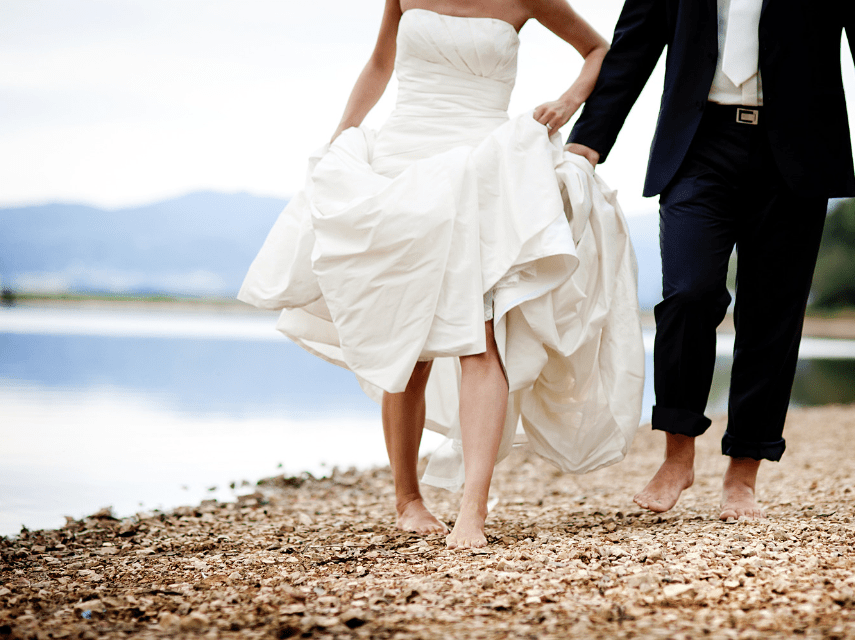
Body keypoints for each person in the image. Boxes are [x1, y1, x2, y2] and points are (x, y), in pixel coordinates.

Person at [238, 0, 645, 548]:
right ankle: (407, 499)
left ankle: (472, 511)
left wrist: (569, 101)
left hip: (480, 166)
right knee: (410, 336)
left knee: (477, 336)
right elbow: (380, 64)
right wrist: (343, 134)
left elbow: (599, 48)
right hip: (402, 163)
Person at [566, 0, 855, 520]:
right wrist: (589, 140)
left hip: (797, 146)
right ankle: (677, 455)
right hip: (698, 143)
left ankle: (743, 473)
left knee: (771, 314)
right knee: (688, 291)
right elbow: (635, 42)